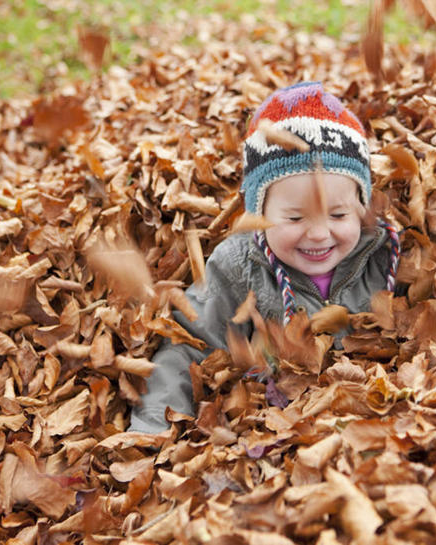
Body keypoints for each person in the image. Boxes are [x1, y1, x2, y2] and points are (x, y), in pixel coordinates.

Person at [128, 82, 400, 434]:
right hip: (276, 431)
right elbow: (186, 348)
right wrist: (153, 428)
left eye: (338, 215)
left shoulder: (384, 255)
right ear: (259, 213)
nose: (319, 234)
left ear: (361, 207)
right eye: (295, 218)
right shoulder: (239, 267)